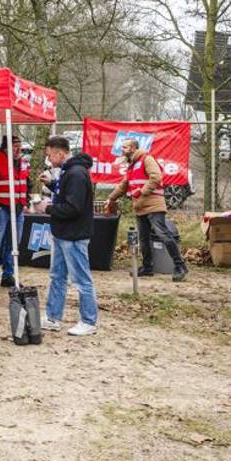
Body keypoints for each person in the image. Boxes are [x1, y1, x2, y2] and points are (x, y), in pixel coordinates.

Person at [104, 138, 189, 282]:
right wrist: (111, 199)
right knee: (143, 238)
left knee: (163, 234)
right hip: (140, 207)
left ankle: (180, 266)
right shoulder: (131, 166)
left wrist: (141, 192)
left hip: (154, 206)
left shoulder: (147, 159)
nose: (122, 150)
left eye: (125, 147)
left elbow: (156, 177)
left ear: (133, 148)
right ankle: (147, 267)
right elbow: (124, 185)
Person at [41, 136, 98, 336]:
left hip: (74, 235)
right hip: (62, 233)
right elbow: (65, 194)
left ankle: (89, 321)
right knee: (57, 277)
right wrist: (52, 184)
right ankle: (52, 316)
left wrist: (48, 208)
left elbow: (73, 207)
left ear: (60, 153)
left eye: (49, 155)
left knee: (81, 280)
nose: (48, 160)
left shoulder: (76, 174)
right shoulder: (68, 172)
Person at [0, 135, 30, 291]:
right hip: (0, 208)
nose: (18, 149)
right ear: (5, 147)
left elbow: (27, 183)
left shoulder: (23, 162)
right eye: (14, 146)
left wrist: (26, 200)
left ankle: (8, 275)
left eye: (19, 145)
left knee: (13, 244)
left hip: (18, 208)